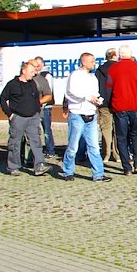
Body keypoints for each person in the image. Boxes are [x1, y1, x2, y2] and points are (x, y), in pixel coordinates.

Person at [60, 53, 111, 182]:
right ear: (84, 62)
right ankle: (68, 171)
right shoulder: (75, 76)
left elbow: (95, 93)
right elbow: (70, 93)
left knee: (94, 146)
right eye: (92, 61)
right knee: (73, 146)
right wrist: (87, 98)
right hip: (77, 114)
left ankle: (98, 174)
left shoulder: (93, 77)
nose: (94, 63)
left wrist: (97, 100)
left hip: (91, 114)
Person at [106, 45, 137, 175]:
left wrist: (110, 103)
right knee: (136, 135)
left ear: (120, 55)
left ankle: (127, 167)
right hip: (136, 106)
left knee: (121, 137)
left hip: (119, 106)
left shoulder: (113, 69)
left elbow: (109, 88)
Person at [0, 61, 49, 177]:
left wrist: (36, 111)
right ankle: (13, 166)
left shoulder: (32, 84)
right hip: (18, 117)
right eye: (31, 72)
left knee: (36, 142)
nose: (33, 74)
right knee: (15, 142)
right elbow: (2, 99)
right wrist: (10, 114)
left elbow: (37, 98)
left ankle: (39, 165)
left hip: (32, 117)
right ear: (24, 71)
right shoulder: (12, 84)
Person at [95, 48, 118, 162]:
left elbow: (96, 86)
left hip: (103, 102)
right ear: (114, 55)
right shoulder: (118, 68)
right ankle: (117, 154)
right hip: (117, 102)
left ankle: (106, 153)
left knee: (106, 128)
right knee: (117, 129)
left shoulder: (99, 70)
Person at [31, 57, 56, 159]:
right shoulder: (33, 76)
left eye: (38, 65)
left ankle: (50, 150)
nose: (36, 67)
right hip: (35, 107)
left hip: (45, 106)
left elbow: (48, 91)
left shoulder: (46, 76)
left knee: (46, 129)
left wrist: (43, 103)